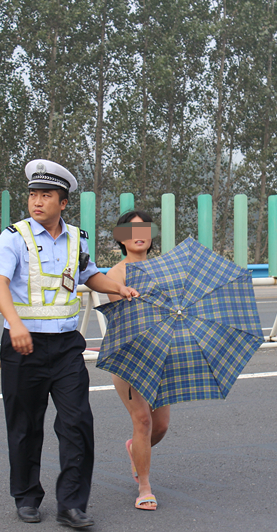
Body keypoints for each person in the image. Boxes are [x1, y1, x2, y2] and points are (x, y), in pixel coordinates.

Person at [0, 159, 139, 528]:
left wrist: (118, 287)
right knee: (25, 424)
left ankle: (72, 504)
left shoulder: (77, 240)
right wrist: (15, 324)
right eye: (33, 195)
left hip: (67, 345)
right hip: (24, 345)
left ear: (63, 202)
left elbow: (90, 277)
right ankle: (26, 496)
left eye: (46, 196)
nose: (37, 202)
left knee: (77, 422)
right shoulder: (14, 236)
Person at [105, 210, 169, 511]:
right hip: (130, 355)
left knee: (160, 427)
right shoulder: (116, 274)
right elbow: (123, 320)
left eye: (144, 228)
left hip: (162, 353)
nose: (138, 234)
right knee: (142, 420)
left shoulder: (164, 269)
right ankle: (144, 486)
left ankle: (135, 449)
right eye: (130, 230)